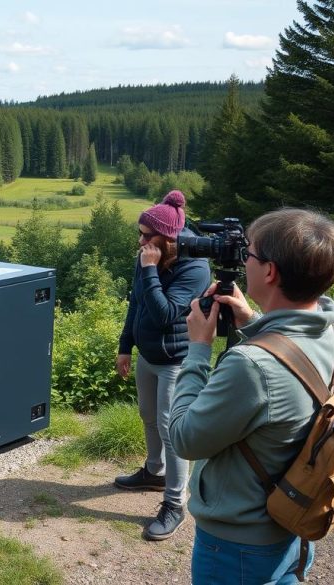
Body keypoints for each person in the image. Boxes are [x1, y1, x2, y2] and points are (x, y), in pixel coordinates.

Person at [169, 208, 334, 584]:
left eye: (247, 253)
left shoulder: (251, 366)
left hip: (238, 544)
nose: (242, 260)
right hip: (294, 519)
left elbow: (185, 438)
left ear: (269, 272)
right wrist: (254, 323)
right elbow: (290, 375)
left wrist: (198, 349)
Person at [115, 190, 210, 541]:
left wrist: (151, 270)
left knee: (172, 430)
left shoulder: (195, 267)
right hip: (147, 354)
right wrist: (126, 346)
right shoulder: (147, 257)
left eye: (146, 235)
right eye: (139, 234)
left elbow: (166, 312)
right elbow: (137, 305)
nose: (140, 241)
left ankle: (175, 503)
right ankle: (154, 472)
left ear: (167, 238)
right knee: (148, 416)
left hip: (175, 360)